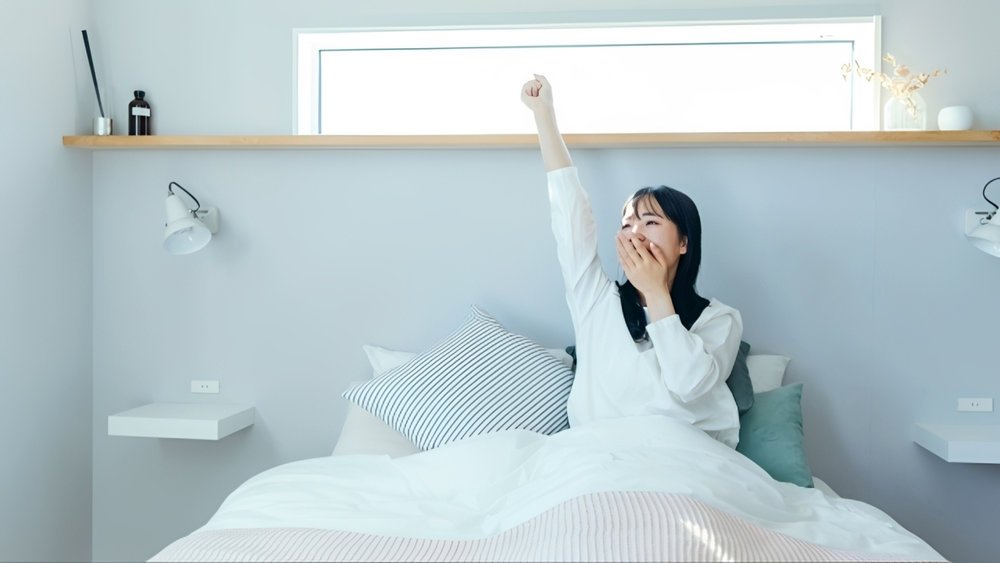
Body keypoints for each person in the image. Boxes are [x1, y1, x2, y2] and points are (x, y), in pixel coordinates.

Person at [520, 74, 743, 448]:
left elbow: (689, 384)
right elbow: (570, 214)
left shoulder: (719, 320)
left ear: (684, 242)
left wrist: (656, 293)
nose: (635, 233)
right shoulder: (595, 300)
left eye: (651, 222)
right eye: (627, 224)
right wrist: (544, 114)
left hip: (686, 458)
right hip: (599, 457)